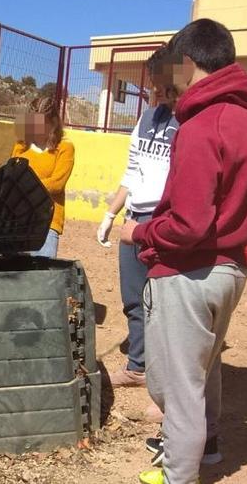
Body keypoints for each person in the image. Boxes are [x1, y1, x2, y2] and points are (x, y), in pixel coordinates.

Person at [120, 19, 247, 484]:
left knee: (176, 387)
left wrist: (140, 233)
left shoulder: (203, 123)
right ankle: (207, 447)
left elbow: (187, 225)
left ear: (186, 63)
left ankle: (177, 475)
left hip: (188, 274)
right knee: (205, 369)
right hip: (231, 270)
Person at [97, 46, 180, 392]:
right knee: (134, 297)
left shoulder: (186, 121)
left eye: (161, 85)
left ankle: (166, 377)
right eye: (152, 85)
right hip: (133, 219)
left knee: (163, 300)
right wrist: (110, 212)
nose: (155, 91)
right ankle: (137, 366)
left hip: (162, 220)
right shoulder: (146, 119)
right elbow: (131, 172)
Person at [11, 95, 75, 258]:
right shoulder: (20, 146)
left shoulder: (65, 148)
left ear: (53, 122)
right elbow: (12, 179)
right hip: (18, 220)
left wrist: (25, 185)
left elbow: (56, 184)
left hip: (47, 222)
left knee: (42, 277)